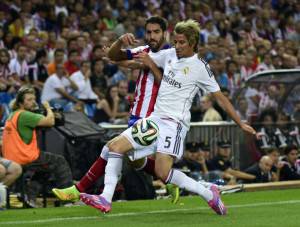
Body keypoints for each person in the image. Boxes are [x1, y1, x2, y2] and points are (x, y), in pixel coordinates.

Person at [78, 19, 257, 215]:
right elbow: (128, 59)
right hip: (155, 119)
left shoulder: (200, 68)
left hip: (175, 124)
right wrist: (118, 48)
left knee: (163, 173)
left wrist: (241, 124)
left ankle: (208, 193)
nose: (177, 47)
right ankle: (106, 198)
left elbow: (221, 98)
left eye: (182, 43)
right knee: (115, 146)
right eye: (176, 42)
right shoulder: (169, 55)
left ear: (193, 42)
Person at [52, 16, 179, 204]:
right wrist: (120, 42)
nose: (152, 36)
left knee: (111, 147)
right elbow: (115, 56)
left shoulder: (170, 55)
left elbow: (168, 85)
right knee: (136, 160)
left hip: (152, 117)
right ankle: (172, 180)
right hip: (137, 115)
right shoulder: (144, 51)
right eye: (149, 32)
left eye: (156, 32)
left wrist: (144, 64)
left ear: (165, 33)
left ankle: (80, 190)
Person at [2, 86, 73, 207]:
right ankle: (68, 200)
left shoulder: (13, 115)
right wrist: (47, 108)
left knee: (46, 167)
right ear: (20, 102)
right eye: (29, 99)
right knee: (60, 161)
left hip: (12, 158)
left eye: (33, 99)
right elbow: (49, 121)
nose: (33, 102)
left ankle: (30, 198)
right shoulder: (24, 115)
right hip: (25, 157)